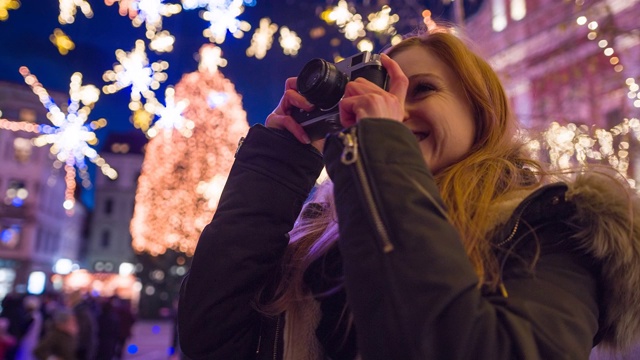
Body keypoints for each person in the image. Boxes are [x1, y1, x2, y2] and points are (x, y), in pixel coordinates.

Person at [177, 27, 640, 359]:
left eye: (421, 90)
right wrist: (278, 162)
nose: (397, 109)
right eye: (384, 92)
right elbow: (212, 339)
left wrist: (379, 149)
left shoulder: (548, 226)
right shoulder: (322, 240)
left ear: (480, 114)